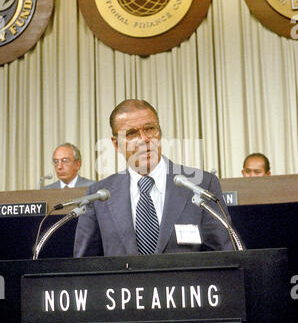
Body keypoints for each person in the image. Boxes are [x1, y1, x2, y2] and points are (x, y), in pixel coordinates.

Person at [73, 99, 234, 257]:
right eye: (131, 133)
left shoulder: (201, 184)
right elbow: (85, 266)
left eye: (149, 129)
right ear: (116, 144)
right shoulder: (99, 196)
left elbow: (225, 255)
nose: (144, 139)